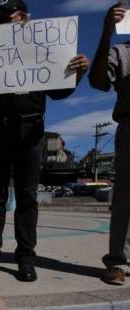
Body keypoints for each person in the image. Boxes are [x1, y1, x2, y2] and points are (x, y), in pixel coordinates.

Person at [0, 0, 89, 282]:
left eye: (5, 17)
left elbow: (58, 93)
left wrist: (77, 73)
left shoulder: (44, 50)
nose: (0, 24)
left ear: (22, 18)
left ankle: (25, 257)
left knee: (27, 197)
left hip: (31, 129)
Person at [89, 4, 130, 285]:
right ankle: (117, 260)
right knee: (126, 199)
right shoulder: (122, 51)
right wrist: (106, 32)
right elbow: (98, 81)